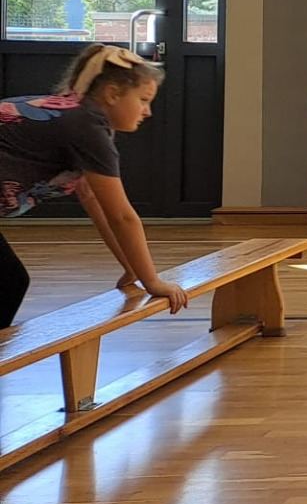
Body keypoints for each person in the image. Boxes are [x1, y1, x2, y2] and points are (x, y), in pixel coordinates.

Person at [0, 44, 188, 331]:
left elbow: (93, 200)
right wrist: (152, 281)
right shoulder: (86, 127)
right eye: (143, 100)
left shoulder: (73, 114)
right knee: (8, 282)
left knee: (9, 280)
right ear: (112, 94)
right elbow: (121, 216)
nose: (147, 111)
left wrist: (131, 268)